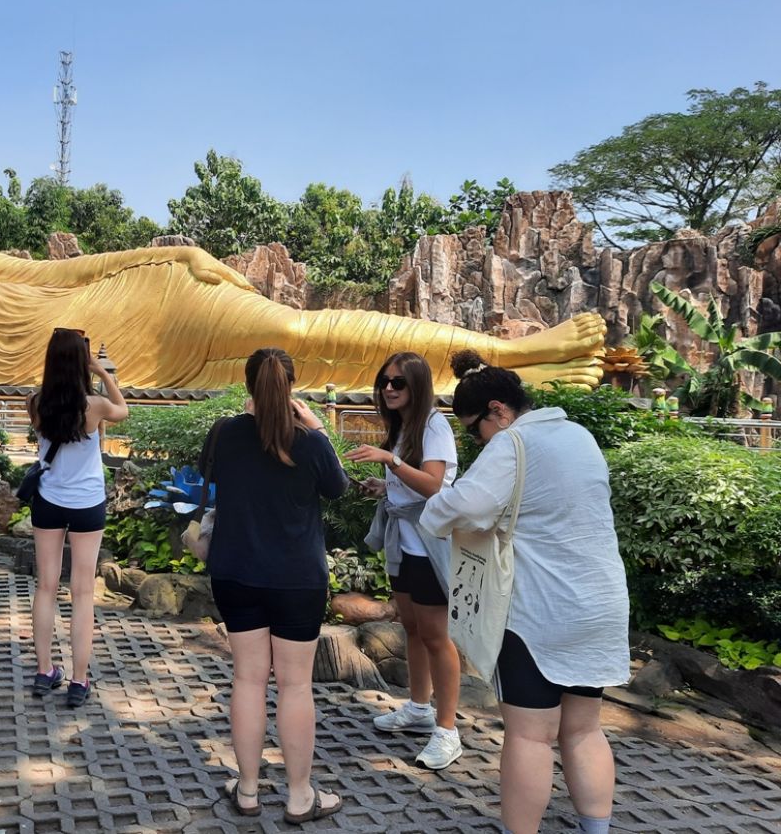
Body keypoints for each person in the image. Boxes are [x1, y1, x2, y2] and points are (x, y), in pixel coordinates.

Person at [420, 350, 630, 834]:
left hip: (540, 612)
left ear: (499, 410)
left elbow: (460, 508)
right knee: (583, 729)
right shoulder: (579, 435)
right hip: (597, 604)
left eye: (474, 430)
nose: (477, 442)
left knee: (531, 737)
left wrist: (434, 511)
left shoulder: (512, 444)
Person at [202, 347, 348, 824]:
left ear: (248, 386)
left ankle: (246, 790)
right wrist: (319, 428)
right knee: (294, 685)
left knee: (246, 678)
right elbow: (338, 488)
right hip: (296, 579)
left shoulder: (223, 435)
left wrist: (252, 416)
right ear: (291, 387)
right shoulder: (308, 441)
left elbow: (218, 475)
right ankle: (300, 795)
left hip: (235, 570)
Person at [345, 353, 462, 769]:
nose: (389, 388)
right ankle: (418, 707)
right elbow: (411, 482)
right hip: (403, 540)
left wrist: (390, 461)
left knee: (436, 635)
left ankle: (448, 730)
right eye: (384, 382)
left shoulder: (434, 425)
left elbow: (433, 486)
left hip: (428, 543)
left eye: (399, 382)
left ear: (417, 386)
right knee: (411, 627)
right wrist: (385, 484)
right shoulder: (404, 427)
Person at [27, 328, 127, 708]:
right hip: (87, 503)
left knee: (46, 587)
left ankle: (43, 669)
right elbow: (124, 411)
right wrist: (102, 374)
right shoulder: (95, 406)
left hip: (48, 501)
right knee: (83, 591)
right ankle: (79, 679)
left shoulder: (35, 403)